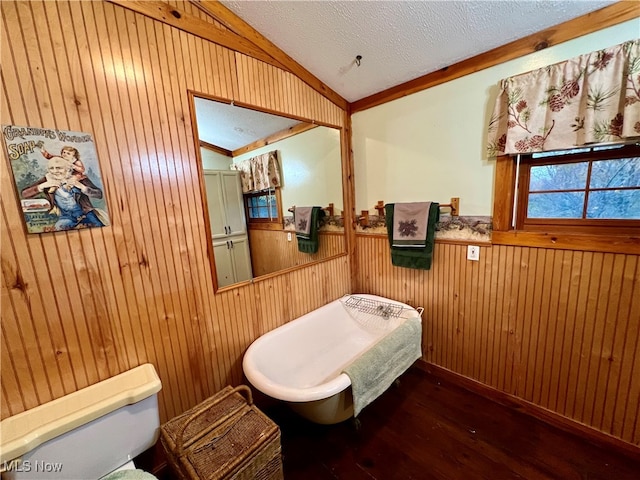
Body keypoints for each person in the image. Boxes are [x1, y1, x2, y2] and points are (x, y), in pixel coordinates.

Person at [21, 156, 104, 230]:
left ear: (67, 169)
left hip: (86, 213)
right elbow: (24, 194)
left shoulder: (79, 178)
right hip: (66, 216)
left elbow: (99, 194)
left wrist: (82, 187)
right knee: (58, 229)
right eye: (51, 168)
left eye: (59, 168)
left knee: (98, 227)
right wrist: (42, 186)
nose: (55, 171)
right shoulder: (48, 179)